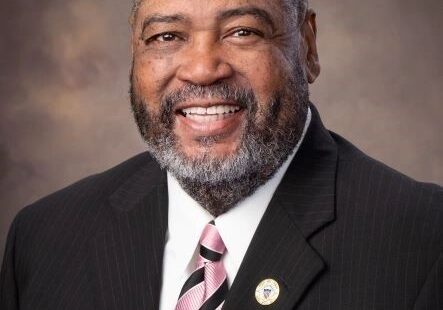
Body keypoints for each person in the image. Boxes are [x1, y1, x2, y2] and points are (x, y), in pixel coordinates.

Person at [1, 0, 441, 309]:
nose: (202, 68)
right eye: (166, 35)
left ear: (307, 46)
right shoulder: (43, 238)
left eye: (242, 31)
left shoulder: (425, 244)